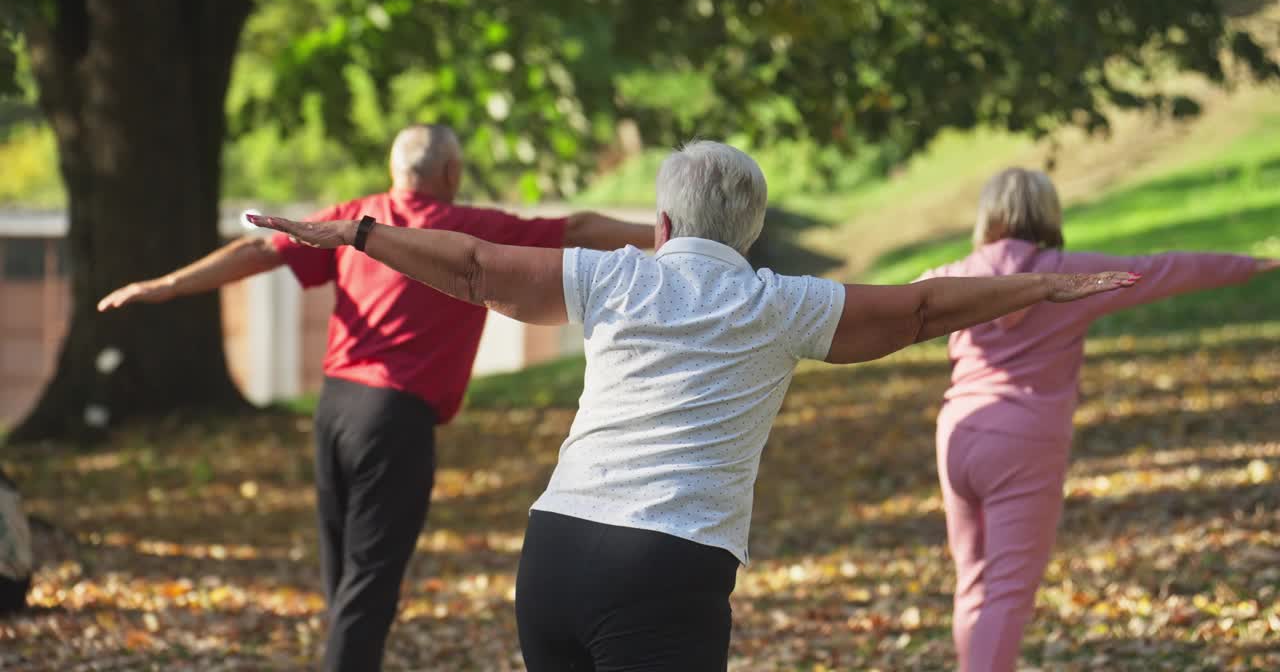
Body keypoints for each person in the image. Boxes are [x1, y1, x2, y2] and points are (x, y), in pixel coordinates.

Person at [246, 141, 1140, 671]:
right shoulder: (782, 304)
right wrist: (1042, 288)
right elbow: (917, 309)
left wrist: (360, 231)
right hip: (664, 571)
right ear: (750, 232)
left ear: (663, 225)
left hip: (551, 557)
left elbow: (475, 267)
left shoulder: (611, 278)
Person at [97, 124, 653, 671]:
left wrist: (164, 286)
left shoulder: (358, 218)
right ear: (451, 172)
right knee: (367, 590)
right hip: (393, 419)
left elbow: (258, 251)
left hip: (333, 411)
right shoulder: (467, 228)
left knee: (344, 583)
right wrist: (669, 235)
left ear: (395, 171)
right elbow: (577, 225)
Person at [914, 167, 1280, 672]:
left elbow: (893, 306)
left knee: (972, 581)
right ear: (1048, 214)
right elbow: (1163, 269)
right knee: (1008, 593)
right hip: (1024, 440)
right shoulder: (1073, 276)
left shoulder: (952, 276)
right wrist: (1251, 264)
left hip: (958, 434)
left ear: (988, 217)